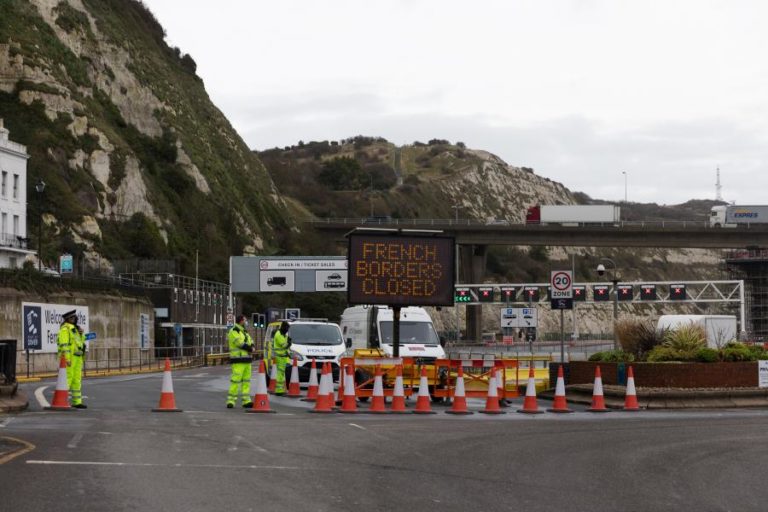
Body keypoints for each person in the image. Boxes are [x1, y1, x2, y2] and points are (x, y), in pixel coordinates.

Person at [57, 310, 87, 408]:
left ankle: (77, 402)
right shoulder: (65, 329)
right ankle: (62, 401)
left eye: (74, 318)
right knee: (67, 379)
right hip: (70, 358)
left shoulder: (75, 329)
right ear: (67, 319)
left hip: (77, 357)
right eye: (71, 318)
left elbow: (80, 343)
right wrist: (67, 359)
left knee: (76, 380)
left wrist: (81, 334)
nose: (73, 319)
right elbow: (64, 345)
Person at [227, 315, 254, 408]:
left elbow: (251, 340)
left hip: (247, 360)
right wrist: (250, 348)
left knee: (246, 381)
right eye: (245, 320)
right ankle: (231, 401)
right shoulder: (234, 331)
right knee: (236, 381)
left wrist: (252, 345)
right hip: (238, 360)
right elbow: (239, 343)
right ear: (241, 321)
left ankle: (246, 401)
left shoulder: (244, 332)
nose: (246, 322)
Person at [272, 321, 291, 395]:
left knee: (282, 373)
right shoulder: (279, 334)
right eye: (287, 328)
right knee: (280, 373)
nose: (287, 330)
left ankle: (281, 389)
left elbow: (286, 348)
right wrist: (289, 343)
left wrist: (288, 353)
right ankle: (279, 390)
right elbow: (283, 345)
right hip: (280, 356)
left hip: (284, 356)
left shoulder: (283, 335)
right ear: (284, 327)